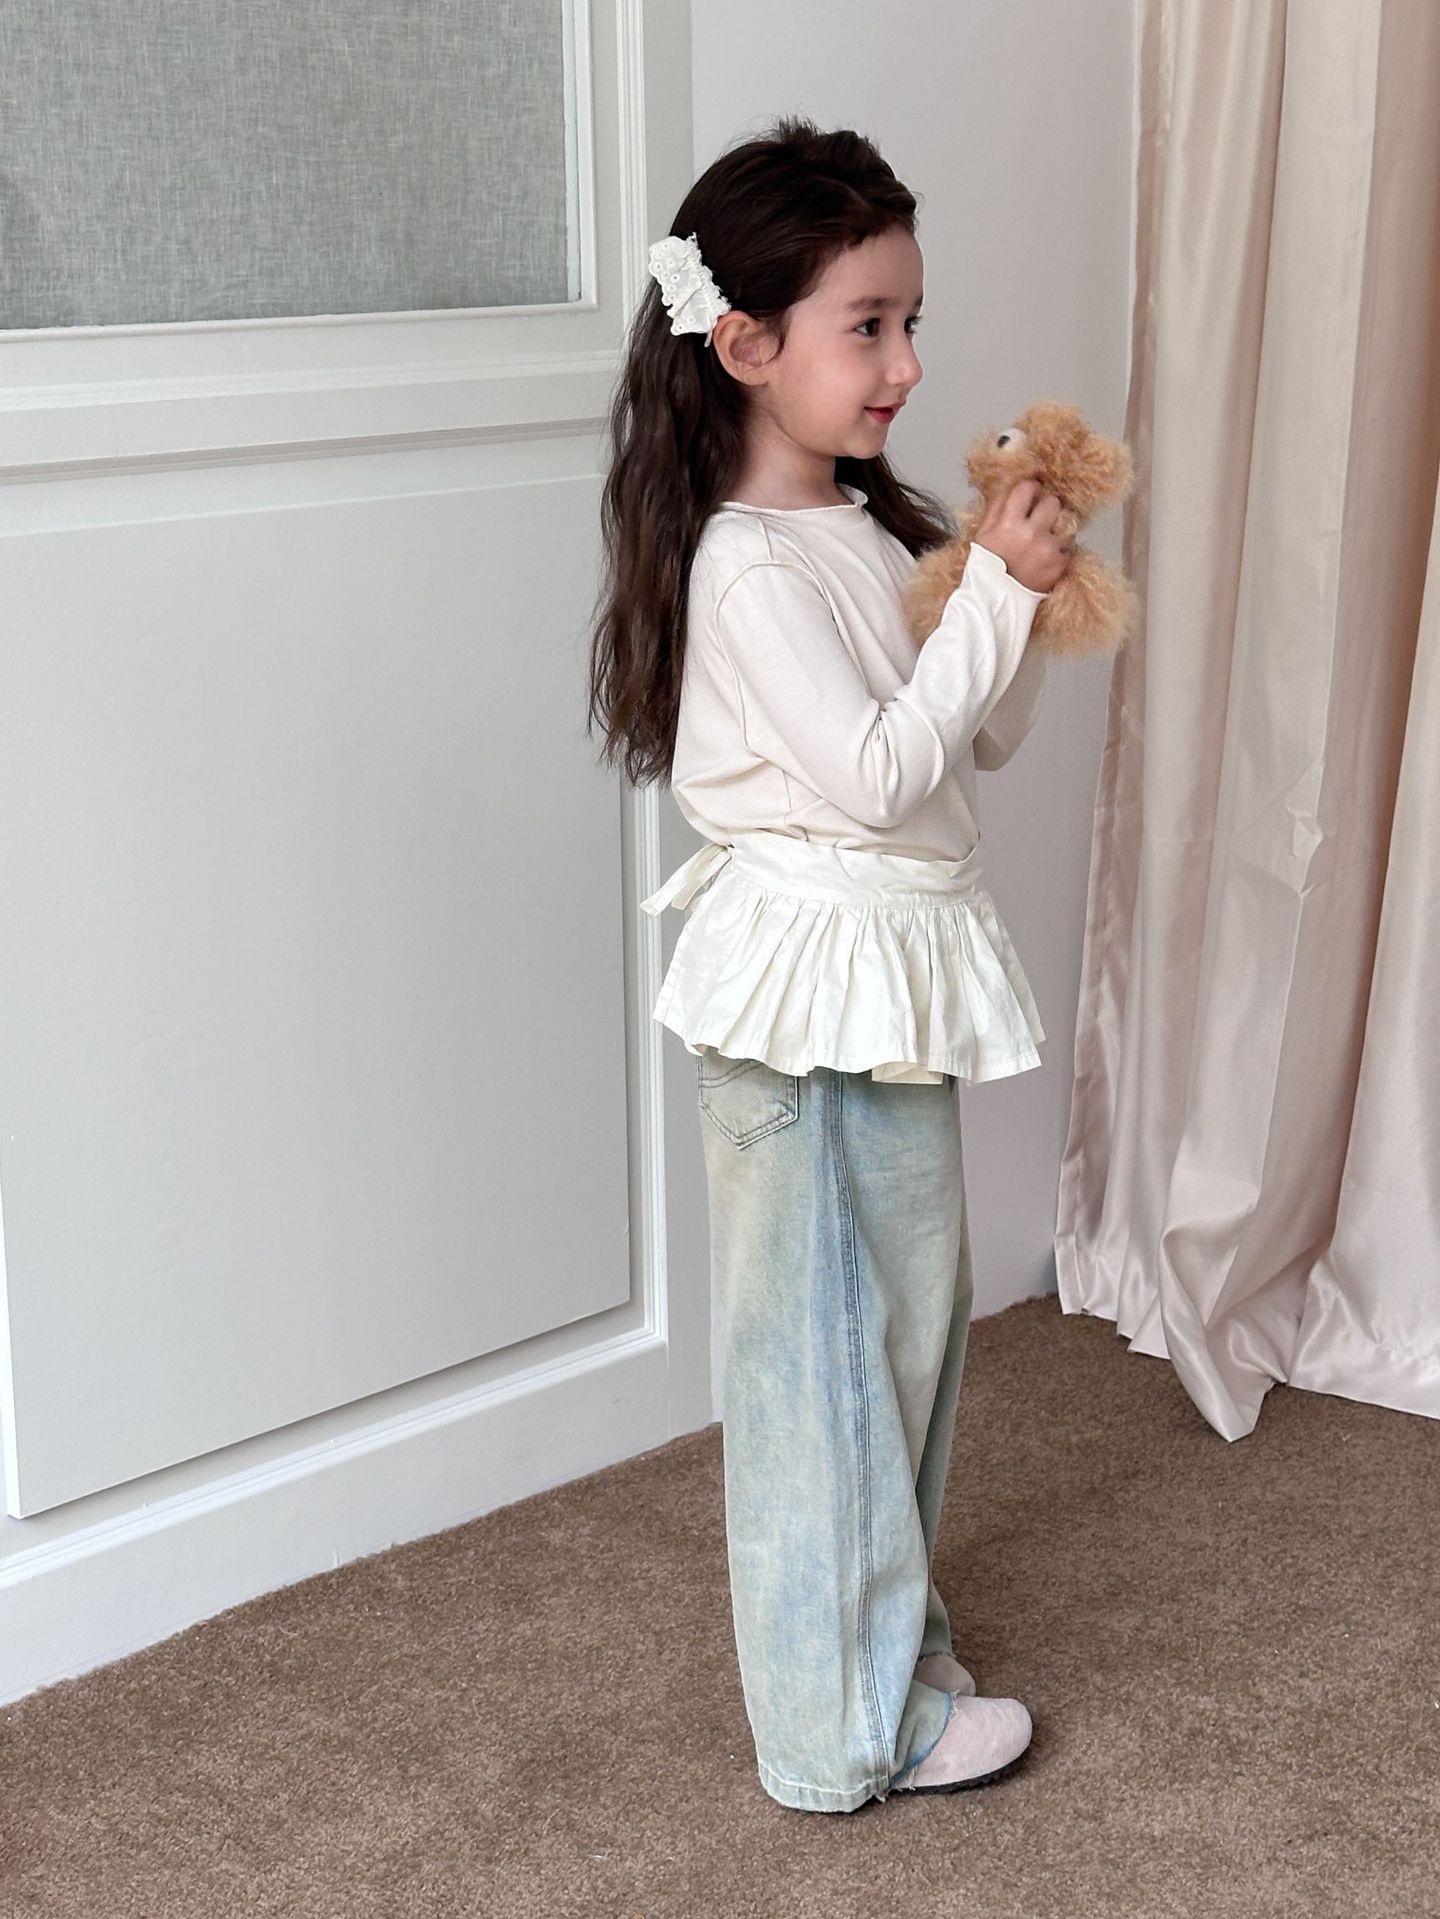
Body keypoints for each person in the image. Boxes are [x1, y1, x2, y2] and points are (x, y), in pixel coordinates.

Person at [586, 115, 1073, 1815]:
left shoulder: (864, 533)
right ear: (746, 346)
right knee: (821, 1366)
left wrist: (1012, 600)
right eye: (867, 325)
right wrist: (987, 603)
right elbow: (873, 777)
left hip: (885, 986)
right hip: (804, 1002)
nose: (906, 363)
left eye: (909, 321)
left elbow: (973, 742)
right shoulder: (743, 568)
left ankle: (887, 1657)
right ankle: (838, 1730)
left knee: (907, 1340)